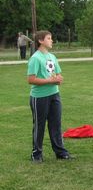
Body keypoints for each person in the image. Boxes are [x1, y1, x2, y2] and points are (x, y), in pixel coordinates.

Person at [27, 30, 72, 163]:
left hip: (54, 95)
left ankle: (60, 152)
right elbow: (31, 79)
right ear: (40, 41)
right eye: (49, 38)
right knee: (39, 125)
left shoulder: (52, 57)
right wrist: (51, 81)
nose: (52, 40)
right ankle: (36, 154)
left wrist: (59, 79)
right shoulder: (35, 58)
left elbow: (57, 74)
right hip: (39, 97)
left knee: (56, 124)